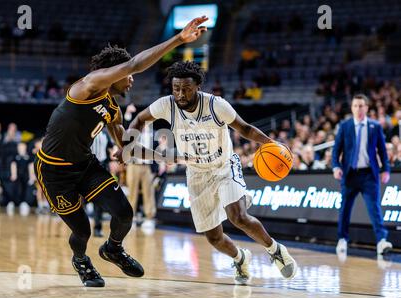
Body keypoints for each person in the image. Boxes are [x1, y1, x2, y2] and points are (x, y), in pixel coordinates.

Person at [33, 17, 208, 287]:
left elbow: (128, 147)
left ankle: (113, 248)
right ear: (113, 72)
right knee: (82, 230)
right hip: (54, 171)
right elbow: (134, 64)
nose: (131, 80)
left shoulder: (113, 110)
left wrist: (174, 157)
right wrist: (178, 40)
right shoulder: (88, 85)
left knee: (124, 213)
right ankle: (81, 260)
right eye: (128, 77)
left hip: (86, 166)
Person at [125, 61, 297, 284]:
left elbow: (244, 128)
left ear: (197, 86)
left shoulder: (217, 105)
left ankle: (275, 250)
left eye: (185, 89)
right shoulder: (167, 105)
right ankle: (240, 257)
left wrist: (271, 143)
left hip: (224, 166)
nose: (180, 94)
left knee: (238, 217)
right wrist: (128, 144)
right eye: (176, 88)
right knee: (213, 237)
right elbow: (139, 119)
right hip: (196, 173)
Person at [332, 94, 392, 257]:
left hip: (369, 175)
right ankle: (342, 239)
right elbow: (336, 150)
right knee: (345, 209)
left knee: (374, 209)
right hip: (350, 175)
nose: (359, 109)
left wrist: (385, 169)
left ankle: (381, 241)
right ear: (352, 108)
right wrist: (336, 167)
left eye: (361, 106)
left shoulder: (375, 126)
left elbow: (382, 151)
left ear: (367, 108)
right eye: (355, 106)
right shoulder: (345, 126)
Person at [89, 128, 115, 237]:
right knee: (80, 198)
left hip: (102, 166)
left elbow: (111, 147)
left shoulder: (105, 132)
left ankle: (97, 228)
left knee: (99, 199)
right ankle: (78, 228)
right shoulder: (86, 128)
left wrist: (114, 153)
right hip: (88, 166)